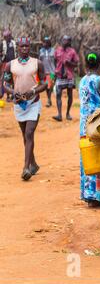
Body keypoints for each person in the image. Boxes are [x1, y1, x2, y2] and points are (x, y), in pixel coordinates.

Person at [3, 37, 47, 180]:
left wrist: (33, 91)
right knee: (25, 136)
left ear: (30, 47)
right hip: (19, 105)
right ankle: (33, 163)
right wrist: (12, 92)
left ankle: (26, 168)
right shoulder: (10, 65)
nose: (24, 49)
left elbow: (45, 83)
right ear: (18, 48)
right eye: (22, 46)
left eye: (27, 46)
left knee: (29, 134)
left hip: (33, 103)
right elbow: (6, 84)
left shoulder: (37, 63)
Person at [78, 52, 100, 207]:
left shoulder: (83, 80)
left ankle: (89, 194)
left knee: (87, 157)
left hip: (84, 125)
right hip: (98, 125)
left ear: (86, 65)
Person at [54, 35, 79, 121]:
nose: (64, 41)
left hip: (69, 76)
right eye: (63, 39)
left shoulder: (72, 51)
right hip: (59, 75)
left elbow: (76, 64)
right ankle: (59, 114)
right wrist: (55, 71)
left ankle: (68, 113)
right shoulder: (57, 50)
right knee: (58, 94)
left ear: (69, 42)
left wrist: (70, 63)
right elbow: (55, 61)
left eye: (66, 40)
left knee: (70, 95)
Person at [39, 36, 56, 107]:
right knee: (46, 86)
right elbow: (39, 60)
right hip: (44, 71)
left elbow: (56, 61)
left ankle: (49, 100)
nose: (44, 43)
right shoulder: (41, 51)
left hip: (52, 71)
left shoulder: (53, 50)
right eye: (44, 42)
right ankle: (49, 99)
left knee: (50, 85)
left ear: (49, 43)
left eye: (46, 42)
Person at [2, 30, 17, 102]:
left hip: (14, 63)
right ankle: (8, 96)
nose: (7, 37)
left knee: (14, 80)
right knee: (7, 79)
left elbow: (16, 52)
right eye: (6, 37)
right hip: (6, 64)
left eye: (8, 36)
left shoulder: (13, 43)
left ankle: (13, 95)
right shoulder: (3, 43)